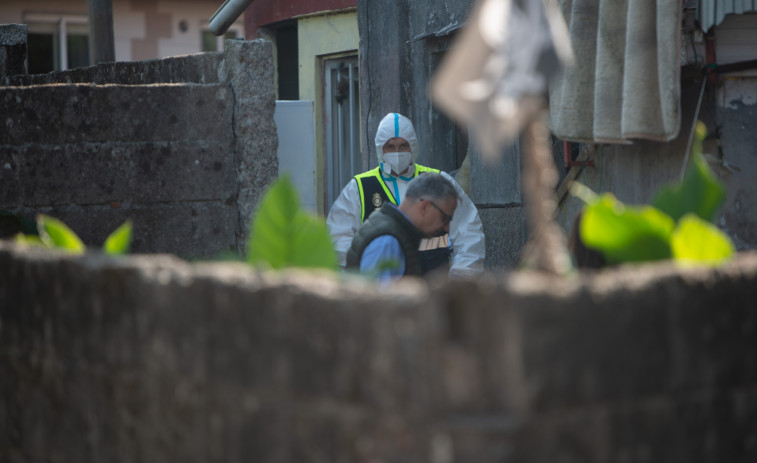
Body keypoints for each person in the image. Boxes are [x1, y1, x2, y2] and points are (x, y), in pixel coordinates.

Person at [327, 112, 485, 277]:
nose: (397, 152)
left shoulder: (439, 182)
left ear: (413, 147)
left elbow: (469, 234)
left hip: (435, 289)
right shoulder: (358, 188)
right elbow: (338, 244)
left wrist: (457, 284)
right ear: (380, 149)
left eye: (403, 145)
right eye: (390, 146)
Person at [346, 173, 458, 280]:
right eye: (445, 219)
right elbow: (377, 297)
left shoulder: (392, 230)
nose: (446, 228)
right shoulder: (388, 242)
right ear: (425, 207)